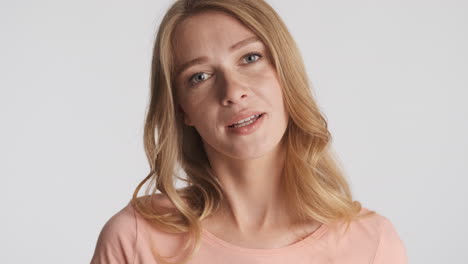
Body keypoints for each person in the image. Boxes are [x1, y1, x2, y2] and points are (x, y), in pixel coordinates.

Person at [90, 0, 408, 263]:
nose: (232, 91)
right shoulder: (135, 239)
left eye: (250, 58)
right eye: (199, 77)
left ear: (285, 73)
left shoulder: (372, 244)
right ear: (182, 109)